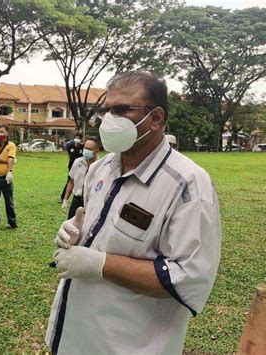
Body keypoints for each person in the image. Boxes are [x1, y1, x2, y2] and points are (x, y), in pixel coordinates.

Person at [46, 71, 221, 354]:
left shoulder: (188, 185)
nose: (109, 120)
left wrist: (99, 263)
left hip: (127, 345)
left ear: (156, 118)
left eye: (121, 110)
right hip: (74, 335)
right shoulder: (99, 169)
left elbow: (188, 278)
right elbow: (104, 234)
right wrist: (76, 236)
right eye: (107, 111)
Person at [62, 137, 100, 219]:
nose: (86, 151)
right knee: (71, 227)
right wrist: (65, 199)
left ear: (97, 150)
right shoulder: (77, 162)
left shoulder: (101, 166)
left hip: (91, 202)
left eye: (89, 149)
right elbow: (71, 182)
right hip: (77, 201)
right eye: (85, 148)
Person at [59, 133, 84, 203]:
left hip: (81, 168)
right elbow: (69, 155)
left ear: (81, 139)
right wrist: (68, 162)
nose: (77, 139)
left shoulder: (83, 147)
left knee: (81, 182)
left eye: (79, 138)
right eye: (76, 137)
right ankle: (63, 197)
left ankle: (81, 197)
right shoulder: (70, 146)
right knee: (69, 182)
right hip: (72, 167)